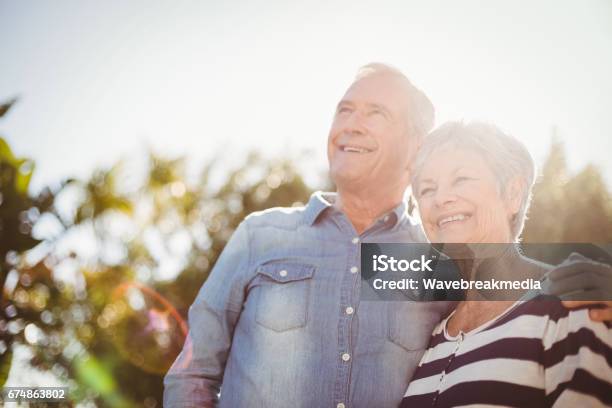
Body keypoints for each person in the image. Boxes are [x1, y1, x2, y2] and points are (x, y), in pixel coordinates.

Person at [164, 64, 612, 408]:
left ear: (416, 145)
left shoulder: (437, 261)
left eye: (375, 112)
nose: (351, 124)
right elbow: (192, 373)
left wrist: (599, 284)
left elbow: (509, 293)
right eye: (345, 109)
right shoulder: (260, 235)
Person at [401, 121, 612, 407]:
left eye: (461, 179)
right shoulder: (433, 336)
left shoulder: (569, 307)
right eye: (427, 189)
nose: (441, 198)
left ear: (512, 193)